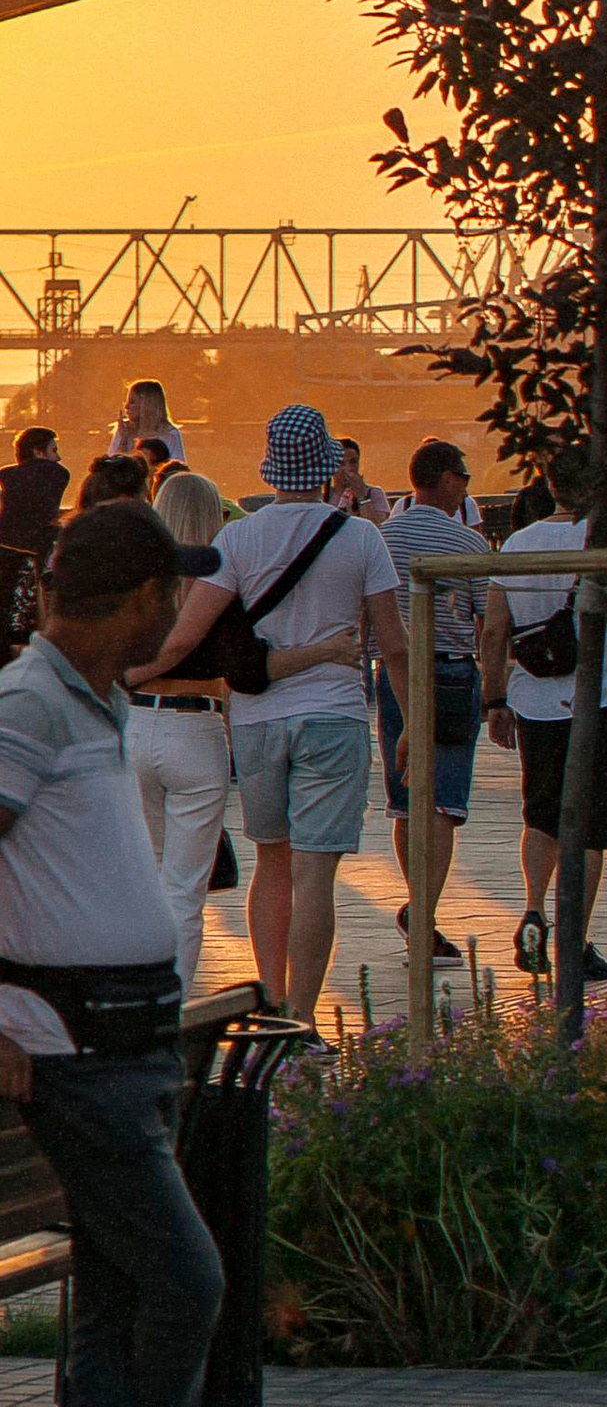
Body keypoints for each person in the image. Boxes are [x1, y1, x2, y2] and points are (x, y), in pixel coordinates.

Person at [0, 499, 227, 1407]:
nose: (179, 609)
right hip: (73, 1050)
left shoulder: (94, 701)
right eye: (173, 589)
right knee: (186, 1281)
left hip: (123, 1045)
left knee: (117, 1295)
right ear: (143, 597)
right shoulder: (30, 704)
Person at [130, 471, 347, 994]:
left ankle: (137, 992)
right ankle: (172, 1002)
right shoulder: (220, 581)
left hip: (134, 724)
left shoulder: (136, 577)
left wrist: (124, 678)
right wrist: (327, 651)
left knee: (147, 876)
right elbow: (248, 669)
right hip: (196, 725)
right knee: (184, 887)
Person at [482, 448, 607, 983]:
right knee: (593, 825)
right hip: (597, 699)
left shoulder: (517, 545)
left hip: (533, 702)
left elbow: (494, 630)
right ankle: (575, 938)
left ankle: (534, 908)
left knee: (541, 812)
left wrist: (495, 699)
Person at [375, 441, 485, 959]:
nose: (466, 484)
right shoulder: (467, 543)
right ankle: (422, 911)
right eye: (462, 476)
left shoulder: (381, 538)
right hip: (451, 673)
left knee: (406, 798)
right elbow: (484, 617)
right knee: (444, 801)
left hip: (393, 672)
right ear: (444, 479)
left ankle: (418, 904)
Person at [0, 430, 65, 661]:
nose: (58, 458)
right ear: (38, 453)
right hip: (36, 560)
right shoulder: (56, 474)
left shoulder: (6, 476)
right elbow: (47, 473)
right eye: (53, 450)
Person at [105, 381, 182, 468]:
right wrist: (123, 439)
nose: (126, 407)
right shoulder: (124, 429)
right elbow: (110, 468)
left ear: (147, 405)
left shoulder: (170, 435)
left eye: (132, 402)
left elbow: (177, 469)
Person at [328, 438, 392, 529]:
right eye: (341, 463)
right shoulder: (325, 496)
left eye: (353, 462)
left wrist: (362, 496)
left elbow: (379, 529)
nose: (349, 468)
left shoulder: (374, 493)